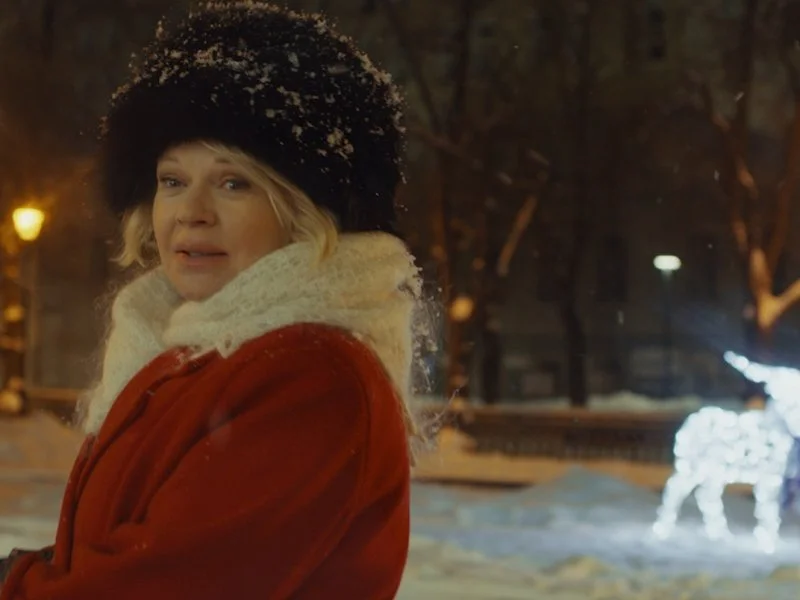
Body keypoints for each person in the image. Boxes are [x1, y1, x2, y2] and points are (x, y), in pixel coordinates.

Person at [0, 3, 432, 598]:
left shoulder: (310, 375)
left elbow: (162, 585)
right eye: (172, 181)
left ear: (302, 211)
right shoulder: (190, 356)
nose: (191, 212)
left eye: (234, 183)